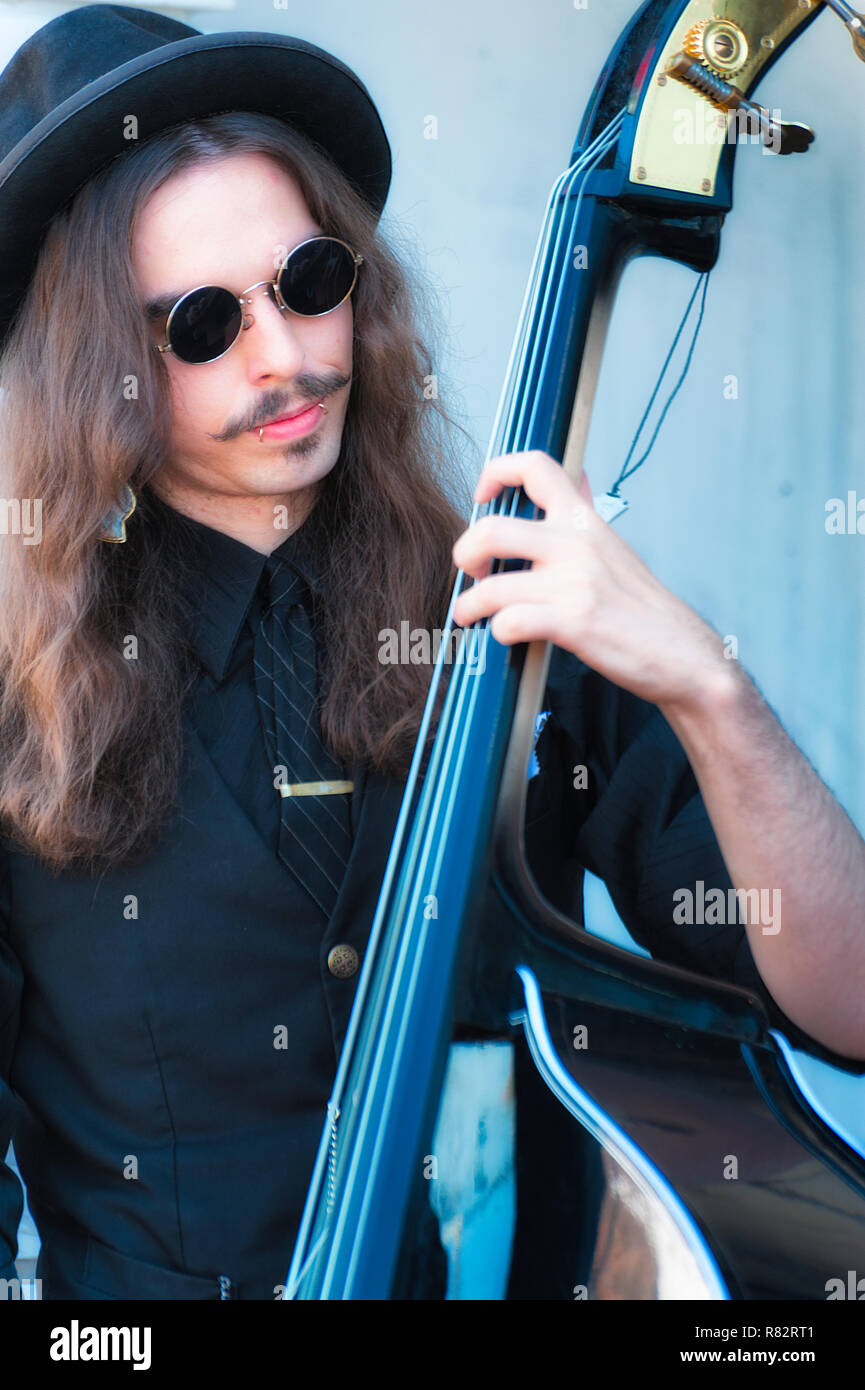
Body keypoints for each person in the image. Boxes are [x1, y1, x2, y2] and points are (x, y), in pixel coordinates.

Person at [0, 3, 862, 1302]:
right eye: (200, 326)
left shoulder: (526, 605)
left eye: (310, 283)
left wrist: (706, 686)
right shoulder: (17, 696)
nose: (286, 356)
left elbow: (846, 1009)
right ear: (95, 366)